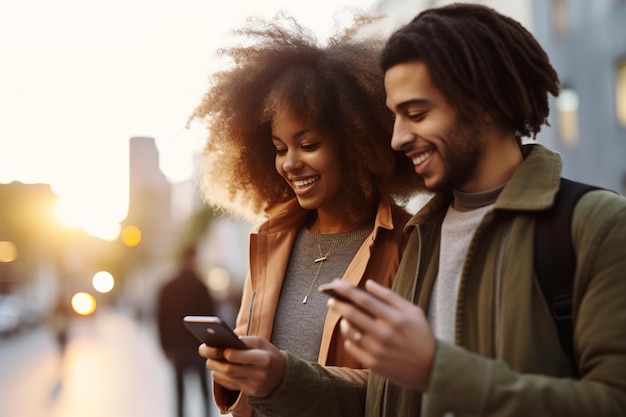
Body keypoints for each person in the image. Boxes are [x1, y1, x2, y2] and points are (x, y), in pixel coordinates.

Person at [200, 3, 626, 416]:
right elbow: (383, 404)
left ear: (485, 103)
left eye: (416, 114)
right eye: (393, 117)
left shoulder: (597, 226)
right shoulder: (422, 238)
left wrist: (436, 370)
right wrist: (279, 378)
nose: (397, 139)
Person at [189, 12, 423, 417]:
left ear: (356, 142)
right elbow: (250, 362)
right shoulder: (271, 237)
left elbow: (400, 393)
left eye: (308, 144)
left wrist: (283, 377)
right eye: (280, 148)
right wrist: (234, 374)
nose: (290, 163)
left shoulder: (407, 241)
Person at [156, 246, 217, 417]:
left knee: (179, 391)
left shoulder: (167, 288)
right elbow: (211, 318)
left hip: (177, 347)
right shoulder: (201, 287)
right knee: (204, 390)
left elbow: (161, 318)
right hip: (197, 345)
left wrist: (164, 346)